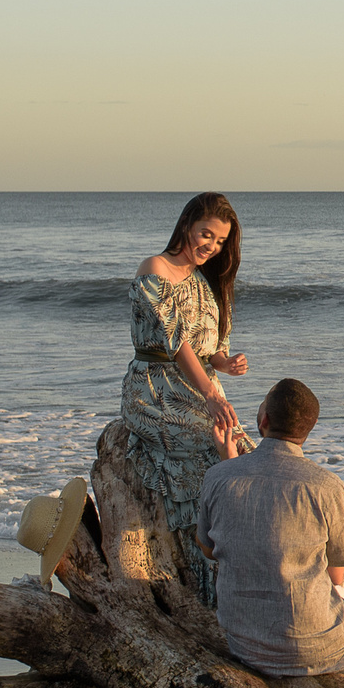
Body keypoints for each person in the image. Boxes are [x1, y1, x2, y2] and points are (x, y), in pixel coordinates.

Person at [195, 377, 344, 688]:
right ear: (307, 430)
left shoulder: (218, 476)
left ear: (263, 421)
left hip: (243, 638)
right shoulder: (326, 485)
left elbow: (208, 549)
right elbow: (337, 575)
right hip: (307, 645)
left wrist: (229, 462)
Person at [125, 192, 250, 604]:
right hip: (155, 388)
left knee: (245, 454)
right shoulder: (154, 270)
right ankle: (207, 579)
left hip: (200, 387)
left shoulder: (203, 281)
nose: (210, 246)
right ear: (187, 225)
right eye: (206, 234)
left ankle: (247, 565)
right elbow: (177, 345)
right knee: (206, 450)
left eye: (219, 242)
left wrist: (224, 363)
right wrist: (212, 393)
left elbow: (205, 347)